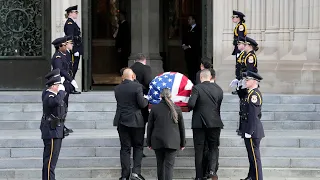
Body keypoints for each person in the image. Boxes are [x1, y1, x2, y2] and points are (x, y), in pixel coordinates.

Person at [188, 69, 224, 180]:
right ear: (210, 77)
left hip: (200, 124)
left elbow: (191, 104)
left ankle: (199, 176)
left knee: (199, 149)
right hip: (215, 123)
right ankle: (212, 170)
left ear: (201, 77)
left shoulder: (197, 88)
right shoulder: (219, 89)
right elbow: (218, 106)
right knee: (213, 147)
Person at [114, 68, 149, 180]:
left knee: (125, 148)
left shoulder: (117, 88)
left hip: (122, 120)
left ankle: (125, 175)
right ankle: (136, 173)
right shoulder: (137, 87)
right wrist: (147, 99)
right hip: (136, 121)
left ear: (123, 77)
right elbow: (142, 104)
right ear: (133, 76)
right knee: (138, 147)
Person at [147, 88, 186, 180]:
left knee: (160, 165)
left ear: (160, 96)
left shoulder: (154, 108)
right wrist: (182, 143)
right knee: (169, 167)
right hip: (173, 141)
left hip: (157, 140)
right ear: (171, 96)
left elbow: (150, 127)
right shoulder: (177, 108)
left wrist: (148, 142)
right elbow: (181, 128)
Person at [237, 71, 264, 180]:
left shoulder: (254, 95)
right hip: (248, 129)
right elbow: (241, 96)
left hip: (252, 130)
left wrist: (250, 131)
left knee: (255, 158)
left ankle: (257, 178)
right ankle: (251, 177)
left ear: (254, 81)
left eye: (247, 80)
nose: (245, 81)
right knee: (251, 157)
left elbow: (253, 114)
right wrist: (239, 86)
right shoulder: (249, 92)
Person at [40, 70, 67, 180]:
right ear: (53, 85)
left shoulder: (53, 95)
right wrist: (61, 92)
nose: (60, 87)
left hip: (56, 130)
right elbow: (54, 102)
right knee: (50, 161)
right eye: (58, 85)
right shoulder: (48, 95)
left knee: (52, 161)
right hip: (51, 131)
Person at [51, 37, 78, 135]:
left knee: (64, 106)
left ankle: (62, 126)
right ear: (59, 47)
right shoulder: (57, 57)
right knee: (61, 106)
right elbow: (61, 70)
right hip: (61, 83)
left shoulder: (64, 54)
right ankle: (59, 127)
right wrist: (71, 80)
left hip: (66, 83)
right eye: (64, 45)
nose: (66, 46)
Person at [64, 5, 83, 94]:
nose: (77, 14)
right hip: (74, 48)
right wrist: (73, 50)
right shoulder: (70, 24)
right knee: (72, 69)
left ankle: (71, 87)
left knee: (74, 68)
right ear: (70, 13)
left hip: (76, 47)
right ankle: (70, 88)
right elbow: (70, 37)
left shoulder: (72, 23)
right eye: (76, 12)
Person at [182, 15, 201, 84]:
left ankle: (195, 81)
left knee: (194, 68)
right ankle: (190, 81)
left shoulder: (198, 28)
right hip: (188, 53)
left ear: (194, 20)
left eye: (189, 19)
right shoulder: (187, 28)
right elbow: (184, 37)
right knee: (189, 67)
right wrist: (184, 45)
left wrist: (189, 46)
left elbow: (197, 40)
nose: (188, 21)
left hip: (194, 53)